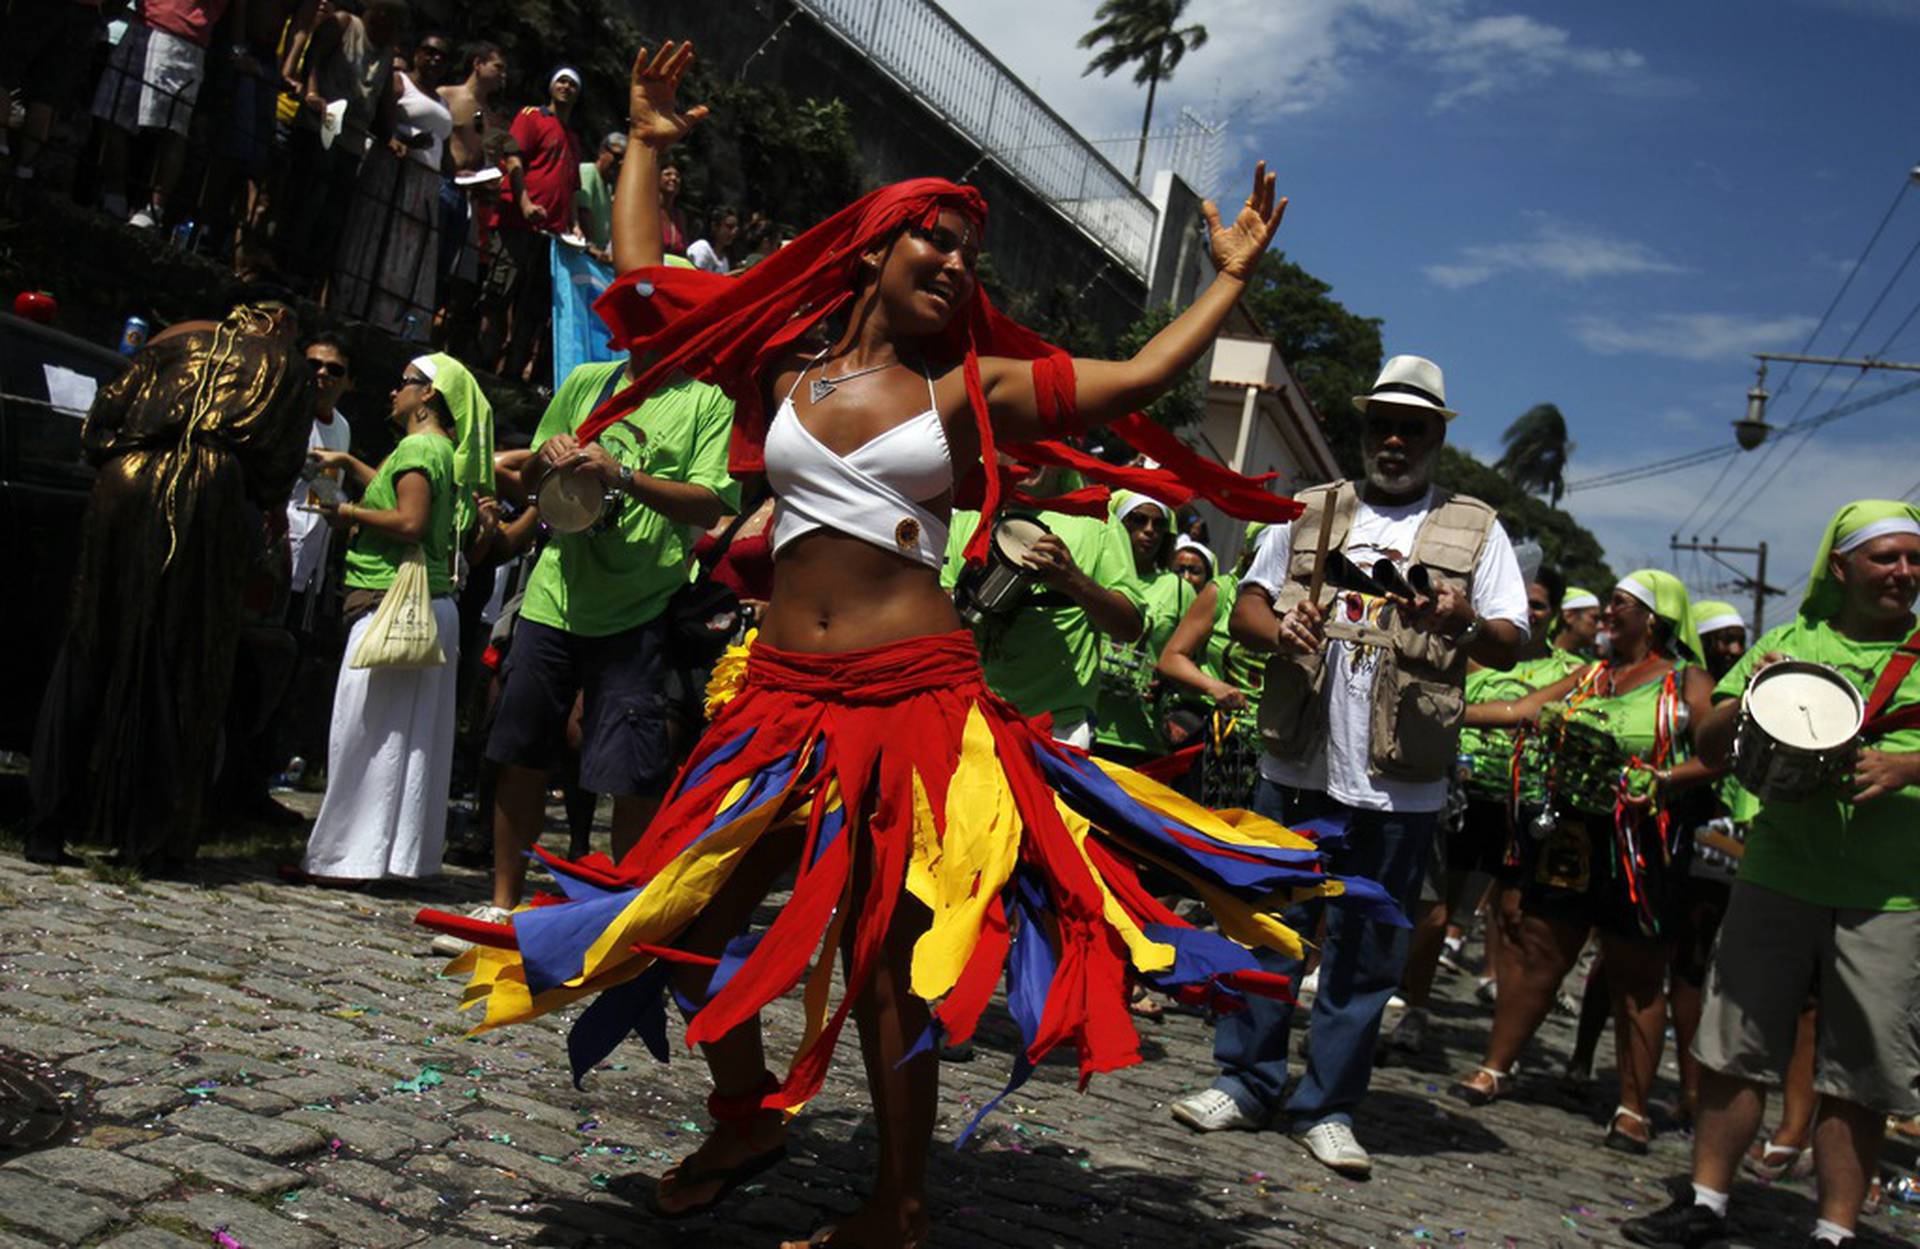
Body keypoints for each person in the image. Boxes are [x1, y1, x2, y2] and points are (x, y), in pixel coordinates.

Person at [416, 41, 1385, 1249]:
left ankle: (900, 1202)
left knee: (882, 960)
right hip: (777, 692)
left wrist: (1229, 281)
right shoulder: (790, 367)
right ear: (875, 247)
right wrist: (651, 142)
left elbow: (1136, 373)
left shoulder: (976, 388)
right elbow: (647, 282)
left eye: (970, 251)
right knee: (686, 915)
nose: (957, 260)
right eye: (936, 237)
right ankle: (745, 1112)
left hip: (911, 700)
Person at [1168, 354, 1529, 1180]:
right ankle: (1246, 1079)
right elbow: (1249, 600)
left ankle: (1327, 1104)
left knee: (1367, 950)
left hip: (1401, 784)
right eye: (1381, 425)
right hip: (1296, 759)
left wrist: (1466, 621)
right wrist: (1279, 629)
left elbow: (1514, 636)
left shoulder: (1476, 527)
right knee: (1263, 922)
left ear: (1438, 437)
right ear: (1362, 430)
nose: (1394, 441)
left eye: (1413, 428)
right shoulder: (1308, 510)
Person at [1623, 501, 1920, 1249]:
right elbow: (1712, 742)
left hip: (1892, 892)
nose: (1905, 572)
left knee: (1863, 1070)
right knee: (1736, 1043)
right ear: (1843, 565)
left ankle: (1835, 1230)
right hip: (1779, 872)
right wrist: (1749, 697)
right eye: (1886, 557)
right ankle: (1706, 1199)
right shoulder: (1792, 640)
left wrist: (1907, 764)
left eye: (1915, 559)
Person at [435, 342, 737, 946]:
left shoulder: (707, 400)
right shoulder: (588, 382)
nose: (649, 332)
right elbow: (526, 479)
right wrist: (546, 458)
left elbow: (712, 502)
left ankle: (618, 919)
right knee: (518, 748)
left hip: (640, 608)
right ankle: (502, 905)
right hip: (554, 597)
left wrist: (622, 474)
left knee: (632, 771)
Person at [27, 298, 310, 869]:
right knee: (184, 657)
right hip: (209, 489)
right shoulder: (285, 366)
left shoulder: (178, 338)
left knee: (90, 641)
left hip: (126, 477)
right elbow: (280, 470)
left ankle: (48, 824)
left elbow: (102, 417)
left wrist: (119, 456)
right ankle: (152, 836)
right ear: (281, 326)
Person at [1453, 571, 1717, 1155]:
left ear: (1656, 619)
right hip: (1573, 833)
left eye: (1621, 604)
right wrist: (1449, 714)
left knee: (1636, 974)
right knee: (1538, 950)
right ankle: (1497, 1066)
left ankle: (1631, 1106)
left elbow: (1718, 754)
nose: (1607, 611)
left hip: (1643, 841)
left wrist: (1666, 777)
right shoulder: (1593, 675)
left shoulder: (1685, 681)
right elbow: (1523, 708)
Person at [296, 354, 492, 883]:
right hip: (433, 605)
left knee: (363, 732)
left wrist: (349, 512)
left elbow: (409, 518)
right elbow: (409, 491)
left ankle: (345, 856)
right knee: (411, 741)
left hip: (393, 603)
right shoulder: (444, 451)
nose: (393, 393)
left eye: (404, 384)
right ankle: (398, 856)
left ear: (428, 395)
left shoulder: (415, 448)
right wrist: (351, 464)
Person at [1389, 569, 1582, 1056]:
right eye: (1523, 604)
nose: (1530, 613)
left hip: (1525, 804)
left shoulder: (1573, 670)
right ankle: (1417, 1004)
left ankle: (1505, 1035)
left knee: (1516, 916)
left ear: (1553, 612)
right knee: (1438, 909)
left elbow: (1540, 712)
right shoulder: (1475, 655)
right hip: (1463, 797)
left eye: (1538, 605)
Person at [943, 478, 1147, 749]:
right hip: (971, 715)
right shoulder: (968, 515)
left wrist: (1073, 580)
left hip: (1059, 728)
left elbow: (1129, 627)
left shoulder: (1096, 520)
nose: (1027, 451)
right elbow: (937, 618)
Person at [332, 30, 454, 338]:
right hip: (395, 171)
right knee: (378, 236)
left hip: (426, 181)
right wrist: (405, 138)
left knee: (409, 249)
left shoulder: (441, 99)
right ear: (417, 54)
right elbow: (380, 120)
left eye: (442, 55)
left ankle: (393, 320)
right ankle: (357, 305)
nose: (435, 58)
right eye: (429, 51)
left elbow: (447, 149)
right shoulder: (401, 82)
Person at [278, 0, 407, 288]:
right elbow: (315, 59)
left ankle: (308, 276)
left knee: (333, 210)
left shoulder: (386, 52)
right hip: (322, 122)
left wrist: (391, 136)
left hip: (353, 135)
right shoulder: (344, 25)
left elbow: (383, 96)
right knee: (308, 196)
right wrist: (312, 92)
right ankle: (286, 265)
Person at [91, 0, 231, 226]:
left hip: (184, 37)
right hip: (142, 25)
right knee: (110, 112)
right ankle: (114, 197)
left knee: (172, 129)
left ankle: (153, 210)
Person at [486, 65, 583, 383]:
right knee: (500, 294)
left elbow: (570, 189)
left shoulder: (573, 138)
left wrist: (575, 224)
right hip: (517, 223)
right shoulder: (532, 116)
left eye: (573, 84)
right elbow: (514, 159)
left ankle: (513, 374)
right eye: (562, 80)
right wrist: (525, 202)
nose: (567, 86)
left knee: (534, 307)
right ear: (551, 85)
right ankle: (484, 362)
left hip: (551, 237)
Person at [1091, 492, 1191, 763]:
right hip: (1083, 723)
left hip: (1143, 736)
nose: (1149, 531)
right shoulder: (1092, 572)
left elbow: (1194, 658)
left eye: (1158, 525)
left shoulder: (1179, 589)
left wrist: (1170, 682)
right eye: (1138, 520)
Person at [0, 0, 105, 183]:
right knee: (47, 96)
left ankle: (2, 150)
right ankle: (25, 171)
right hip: (85, 13)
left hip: (39, 7)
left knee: (4, 74)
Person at [576, 130, 626, 257]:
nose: (620, 163)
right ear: (602, 152)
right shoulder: (589, 171)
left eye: (624, 159)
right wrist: (590, 245)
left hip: (600, 253)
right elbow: (583, 210)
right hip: (586, 252)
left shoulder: (607, 186)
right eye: (617, 156)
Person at [686, 203, 736, 273]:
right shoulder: (701, 248)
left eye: (735, 228)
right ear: (714, 226)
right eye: (729, 227)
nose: (733, 232)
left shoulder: (725, 260)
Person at [657, 159, 689, 255]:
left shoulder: (679, 215)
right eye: (667, 174)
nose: (674, 178)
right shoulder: (648, 210)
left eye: (677, 176)